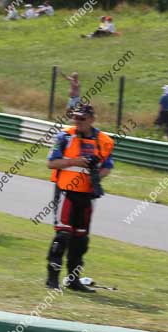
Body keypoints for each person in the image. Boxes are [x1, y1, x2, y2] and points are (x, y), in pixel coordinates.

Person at [46, 104, 115, 292]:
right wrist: (74, 162)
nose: (77, 121)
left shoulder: (105, 141)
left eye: (82, 118)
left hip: (88, 195)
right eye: (75, 118)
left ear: (92, 119)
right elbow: (51, 163)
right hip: (66, 192)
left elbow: (108, 167)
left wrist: (96, 176)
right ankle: (52, 280)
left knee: (81, 240)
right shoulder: (64, 137)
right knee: (62, 236)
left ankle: (73, 280)